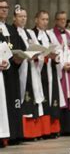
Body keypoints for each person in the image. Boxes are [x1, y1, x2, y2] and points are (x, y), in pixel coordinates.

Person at [13, 8, 45, 140]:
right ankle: (24, 133)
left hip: (31, 68)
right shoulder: (12, 32)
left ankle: (33, 133)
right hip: (21, 70)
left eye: (25, 16)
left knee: (33, 100)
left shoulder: (29, 33)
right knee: (25, 100)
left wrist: (37, 55)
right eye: (20, 16)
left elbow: (37, 48)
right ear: (14, 18)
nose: (23, 19)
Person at [48, 11, 70, 136]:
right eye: (60, 19)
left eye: (64, 19)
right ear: (56, 20)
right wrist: (62, 65)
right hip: (58, 71)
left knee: (69, 97)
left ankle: (69, 128)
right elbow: (51, 51)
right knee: (60, 97)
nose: (63, 21)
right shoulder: (50, 35)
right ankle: (59, 128)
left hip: (69, 72)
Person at [32, 10, 63, 138]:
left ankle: (51, 130)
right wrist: (42, 56)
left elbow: (56, 52)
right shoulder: (32, 34)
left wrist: (55, 57)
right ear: (36, 20)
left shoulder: (49, 35)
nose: (45, 22)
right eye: (42, 19)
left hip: (50, 70)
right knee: (41, 100)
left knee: (52, 100)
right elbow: (32, 51)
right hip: (39, 71)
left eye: (46, 19)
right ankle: (41, 130)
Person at [0, 0, 24, 145]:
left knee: (13, 103)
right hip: (2, 72)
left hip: (12, 71)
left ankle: (13, 134)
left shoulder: (11, 28)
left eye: (6, 8)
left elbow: (19, 47)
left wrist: (20, 58)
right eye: (1, 7)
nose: (4, 10)